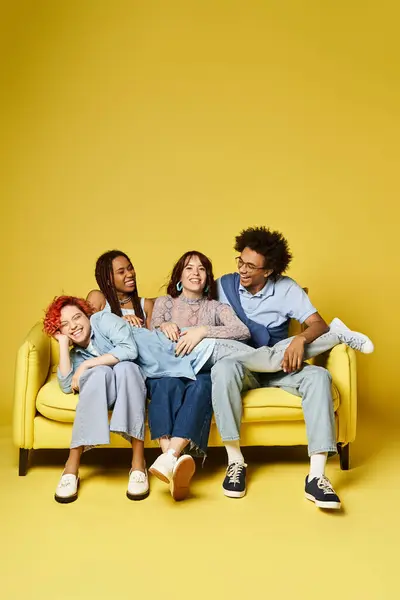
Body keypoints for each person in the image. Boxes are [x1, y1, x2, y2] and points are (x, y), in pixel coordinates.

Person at [211, 226, 374, 509]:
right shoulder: (222, 287)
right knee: (223, 367)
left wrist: (299, 339)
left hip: (282, 368)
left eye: (251, 266)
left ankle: (317, 476)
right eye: (240, 261)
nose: (243, 270)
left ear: (269, 270)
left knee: (320, 377)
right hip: (243, 370)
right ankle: (235, 461)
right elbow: (184, 302)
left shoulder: (286, 288)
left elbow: (316, 324)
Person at [147, 251, 250, 500]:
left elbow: (242, 331)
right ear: (179, 275)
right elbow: (151, 334)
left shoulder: (216, 307)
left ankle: (168, 459)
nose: (195, 273)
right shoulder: (164, 303)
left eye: (201, 269)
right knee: (165, 386)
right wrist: (163, 325)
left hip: (201, 369)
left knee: (204, 386)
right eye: (189, 268)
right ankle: (171, 458)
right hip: (169, 369)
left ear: (207, 277)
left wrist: (203, 330)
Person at [43, 296, 149, 504]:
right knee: (99, 373)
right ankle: (71, 467)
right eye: (65, 325)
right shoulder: (75, 353)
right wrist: (64, 345)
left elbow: (129, 350)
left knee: (126, 367)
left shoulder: (103, 320)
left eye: (77, 318)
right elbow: (66, 385)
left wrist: (86, 365)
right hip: (103, 389)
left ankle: (138, 463)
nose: (73, 326)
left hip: (131, 383)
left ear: (87, 316)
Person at [87, 250, 154, 329]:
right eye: (121, 272)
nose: (130, 274)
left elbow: (153, 338)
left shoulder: (146, 305)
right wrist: (119, 323)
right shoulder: (98, 298)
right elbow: (89, 331)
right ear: (108, 280)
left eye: (130, 268)